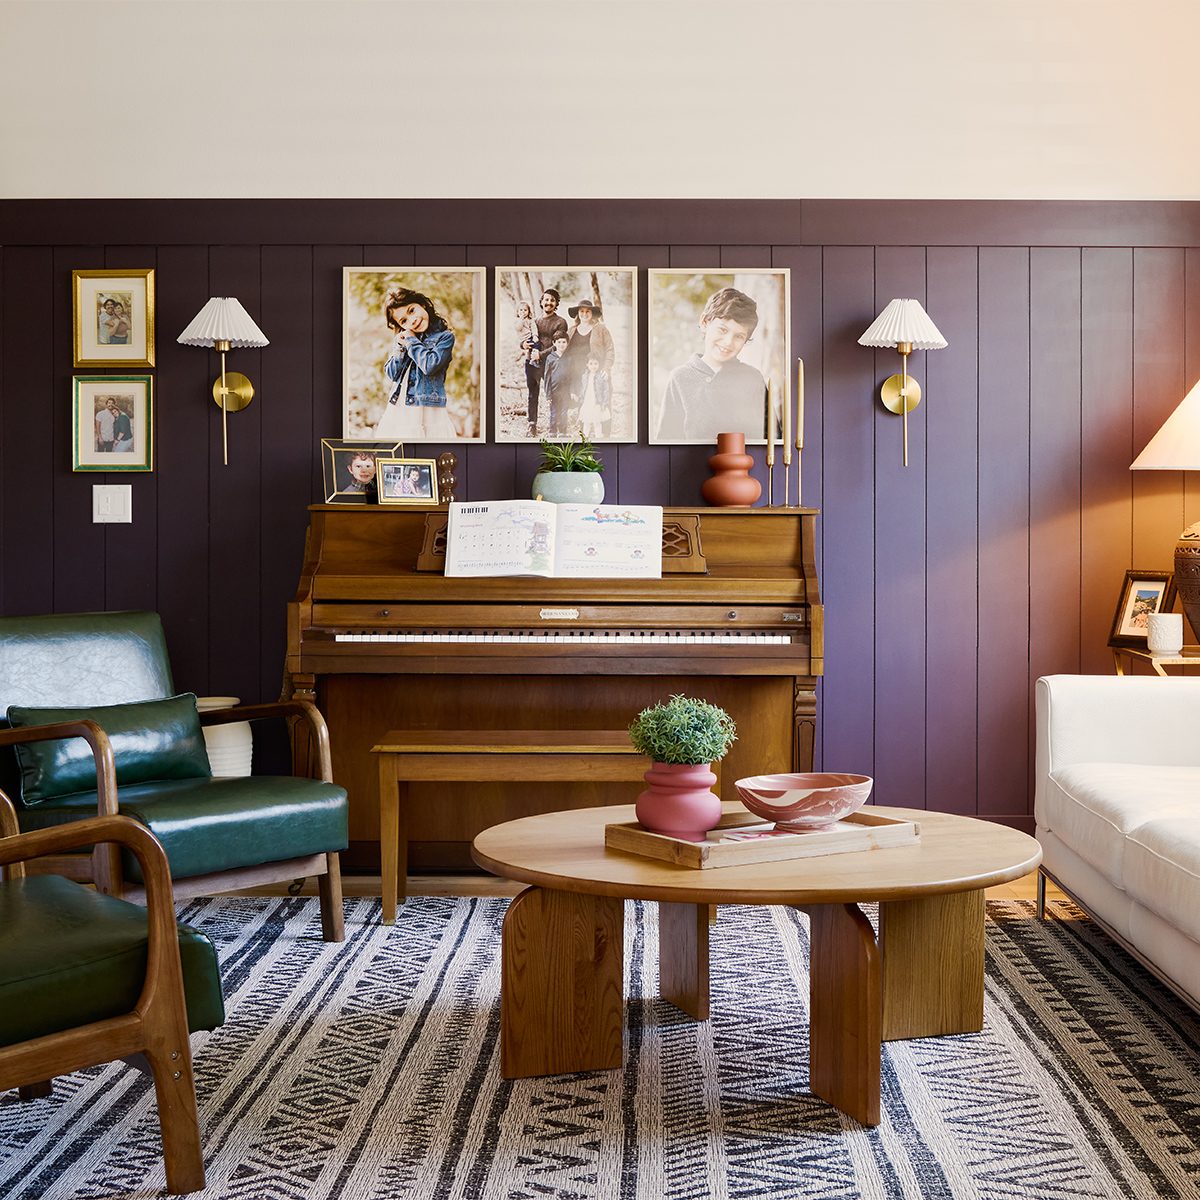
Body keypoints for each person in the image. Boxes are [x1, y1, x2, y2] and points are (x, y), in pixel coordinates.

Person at [655, 287, 767, 442]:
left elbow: (774, 438)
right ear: (704, 322)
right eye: (722, 330)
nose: (728, 342)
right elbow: (666, 442)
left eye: (739, 336)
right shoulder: (680, 378)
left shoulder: (753, 378)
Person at [373, 286, 458, 441]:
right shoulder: (404, 339)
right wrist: (400, 347)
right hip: (400, 408)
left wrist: (411, 341)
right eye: (404, 321)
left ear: (422, 304)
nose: (412, 320)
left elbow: (429, 366)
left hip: (429, 407)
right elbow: (392, 374)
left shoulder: (445, 337)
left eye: (411, 310)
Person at [525, 289, 568, 436]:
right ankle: (532, 425)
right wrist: (523, 344)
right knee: (532, 393)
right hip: (532, 362)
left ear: (556, 304)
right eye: (546, 299)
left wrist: (541, 355)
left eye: (552, 300)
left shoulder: (560, 322)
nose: (549, 303)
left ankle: (555, 427)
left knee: (554, 393)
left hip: (551, 362)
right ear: (541, 302)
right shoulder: (535, 321)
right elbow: (525, 336)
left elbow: (559, 345)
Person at [562, 298, 614, 403]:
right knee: (572, 401)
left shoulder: (601, 329)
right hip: (574, 372)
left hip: (592, 370)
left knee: (594, 401)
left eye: (588, 311)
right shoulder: (572, 330)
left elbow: (610, 349)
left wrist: (606, 368)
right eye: (582, 311)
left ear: (592, 313)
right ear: (578, 313)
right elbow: (561, 348)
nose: (584, 314)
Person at [541, 332, 573, 436]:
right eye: (559, 342)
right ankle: (552, 431)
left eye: (564, 342)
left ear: (567, 343)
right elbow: (547, 377)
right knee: (554, 412)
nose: (561, 344)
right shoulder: (550, 358)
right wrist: (548, 394)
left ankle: (563, 432)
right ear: (554, 343)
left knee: (564, 412)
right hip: (554, 390)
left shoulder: (569, 357)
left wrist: (572, 391)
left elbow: (572, 376)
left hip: (565, 391)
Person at [575, 355, 611, 441]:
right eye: (591, 363)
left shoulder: (601, 376)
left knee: (597, 422)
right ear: (587, 364)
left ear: (599, 364)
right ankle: (584, 440)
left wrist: (604, 403)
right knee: (586, 422)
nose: (593, 366)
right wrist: (580, 398)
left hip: (597, 402)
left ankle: (599, 439)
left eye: (595, 363)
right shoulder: (584, 376)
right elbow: (582, 388)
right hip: (587, 402)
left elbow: (606, 390)